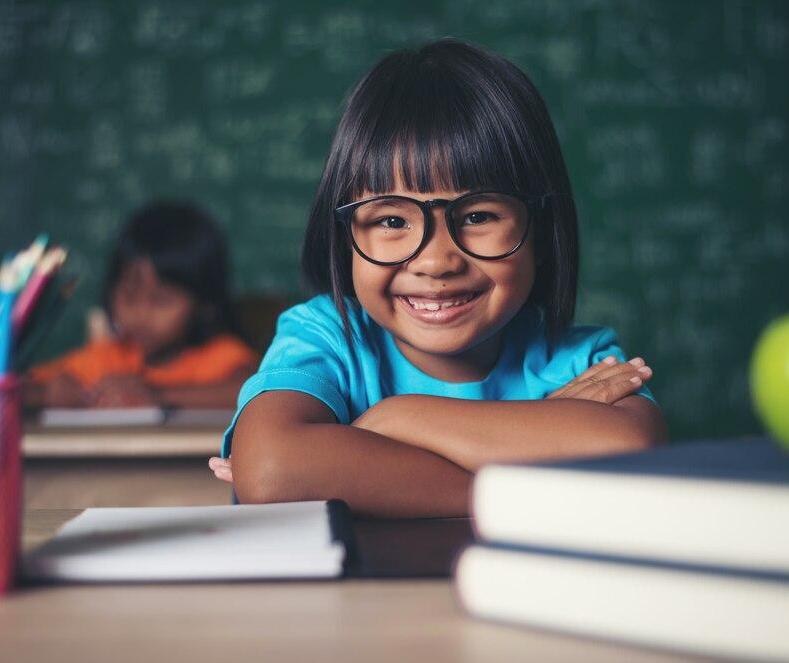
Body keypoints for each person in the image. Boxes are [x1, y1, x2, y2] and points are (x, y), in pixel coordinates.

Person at [208, 39, 667, 516]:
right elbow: (271, 468)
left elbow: (633, 449)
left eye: (477, 216)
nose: (436, 261)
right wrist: (526, 475)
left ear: (542, 227)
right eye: (391, 221)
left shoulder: (578, 359)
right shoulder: (326, 335)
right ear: (342, 233)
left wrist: (392, 419)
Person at [25, 202, 258, 409]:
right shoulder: (110, 357)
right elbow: (19, 388)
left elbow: (251, 393)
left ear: (205, 304)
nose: (141, 313)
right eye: (129, 296)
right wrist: (49, 393)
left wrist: (158, 395)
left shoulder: (222, 355)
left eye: (161, 301)